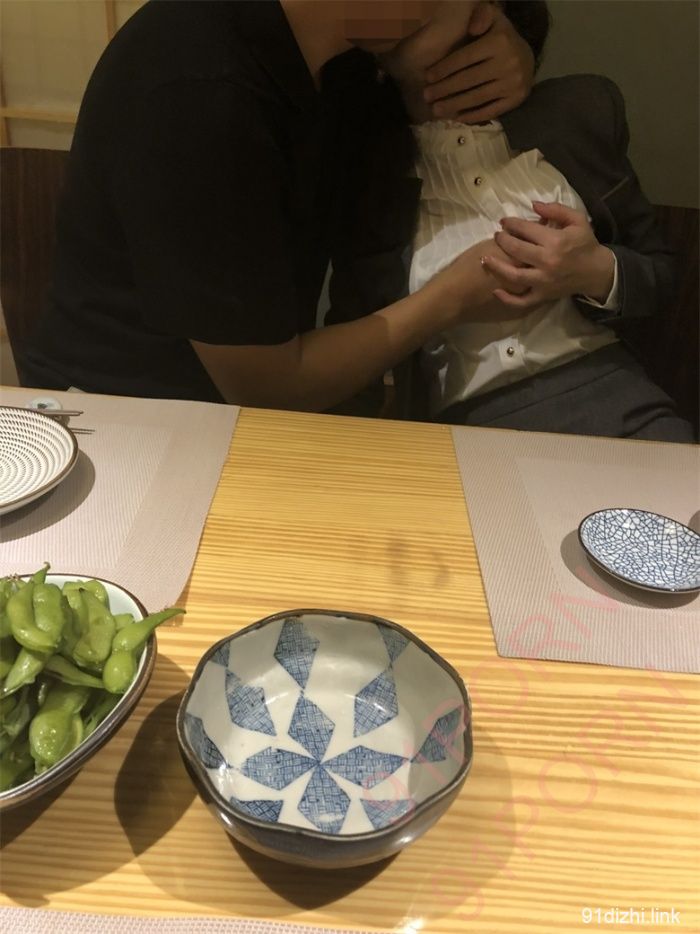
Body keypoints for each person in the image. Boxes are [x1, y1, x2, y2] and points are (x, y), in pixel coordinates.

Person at [18, 0, 538, 411]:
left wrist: (516, 50)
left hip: (238, 398)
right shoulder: (202, 88)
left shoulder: (341, 55)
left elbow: (422, 69)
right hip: (124, 414)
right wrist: (450, 297)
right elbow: (265, 387)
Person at [328, 0, 695, 441]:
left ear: (488, 7)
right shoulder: (366, 178)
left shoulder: (578, 111)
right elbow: (353, 353)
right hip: (464, 437)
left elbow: (661, 273)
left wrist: (594, 271)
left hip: (621, 408)